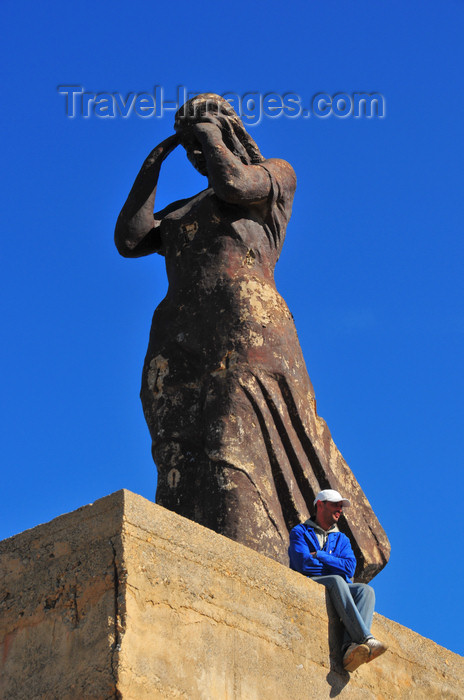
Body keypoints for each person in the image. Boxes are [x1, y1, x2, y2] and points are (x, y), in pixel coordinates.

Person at [114, 93, 389, 575]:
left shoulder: (275, 176)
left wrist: (210, 134)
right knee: (175, 444)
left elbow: (235, 183)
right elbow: (130, 239)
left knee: (231, 436)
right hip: (177, 330)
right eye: (190, 136)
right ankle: (189, 563)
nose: (198, 146)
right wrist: (156, 159)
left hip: (244, 322)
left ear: (230, 128)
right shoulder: (182, 209)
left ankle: (246, 569)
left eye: (206, 130)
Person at [289, 489, 388, 672]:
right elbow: (303, 565)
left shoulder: (342, 539)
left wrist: (319, 555)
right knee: (336, 579)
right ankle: (365, 638)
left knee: (366, 591)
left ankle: (349, 648)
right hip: (311, 581)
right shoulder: (300, 532)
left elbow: (350, 568)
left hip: (338, 584)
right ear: (320, 505)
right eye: (335, 504)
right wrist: (336, 567)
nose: (339, 509)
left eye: (341, 506)